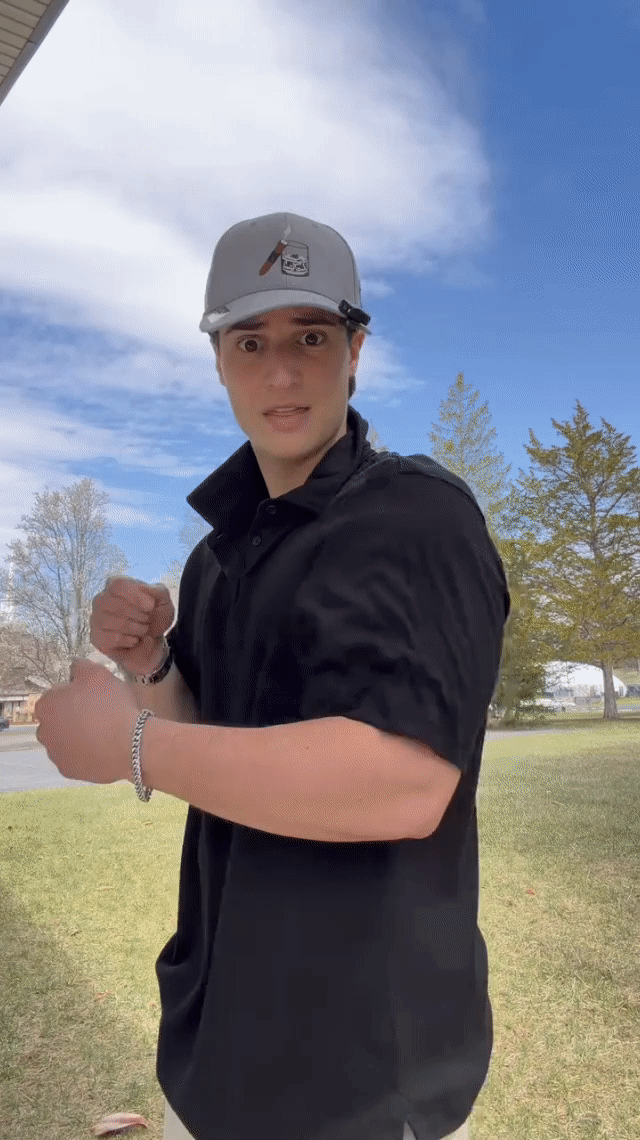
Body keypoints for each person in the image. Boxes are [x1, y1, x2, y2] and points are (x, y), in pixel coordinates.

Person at [89, 212, 511, 1140]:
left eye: (310, 337)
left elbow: (404, 785)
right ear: (218, 361)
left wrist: (128, 744)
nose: (281, 373)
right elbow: (206, 738)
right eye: (251, 342)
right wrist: (151, 664)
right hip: (217, 1042)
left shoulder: (415, 517)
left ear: (355, 350)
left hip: (358, 1076)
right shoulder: (216, 557)